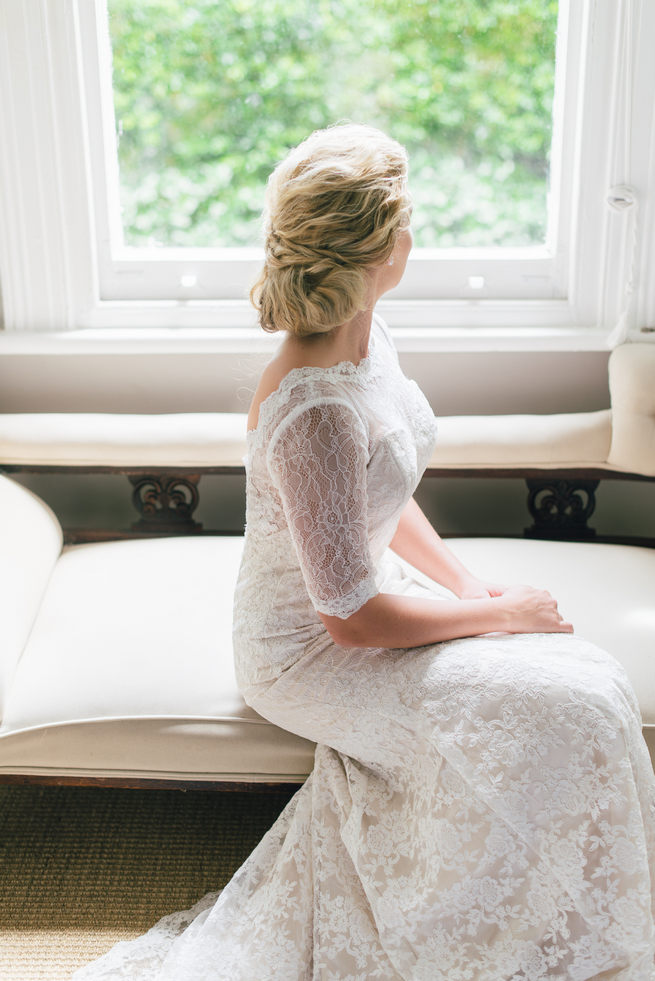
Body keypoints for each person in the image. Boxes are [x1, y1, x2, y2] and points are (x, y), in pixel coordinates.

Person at [74, 124, 655, 980]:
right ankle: (507, 941)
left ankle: (572, 924)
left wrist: (468, 584)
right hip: (306, 650)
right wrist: (498, 615)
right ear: (381, 249)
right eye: (405, 219)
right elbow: (348, 619)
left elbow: (381, 491)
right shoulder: (315, 410)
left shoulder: (365, 334)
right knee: (563, 707)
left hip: (369, 594)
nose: (414, 232)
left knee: (588, 681)